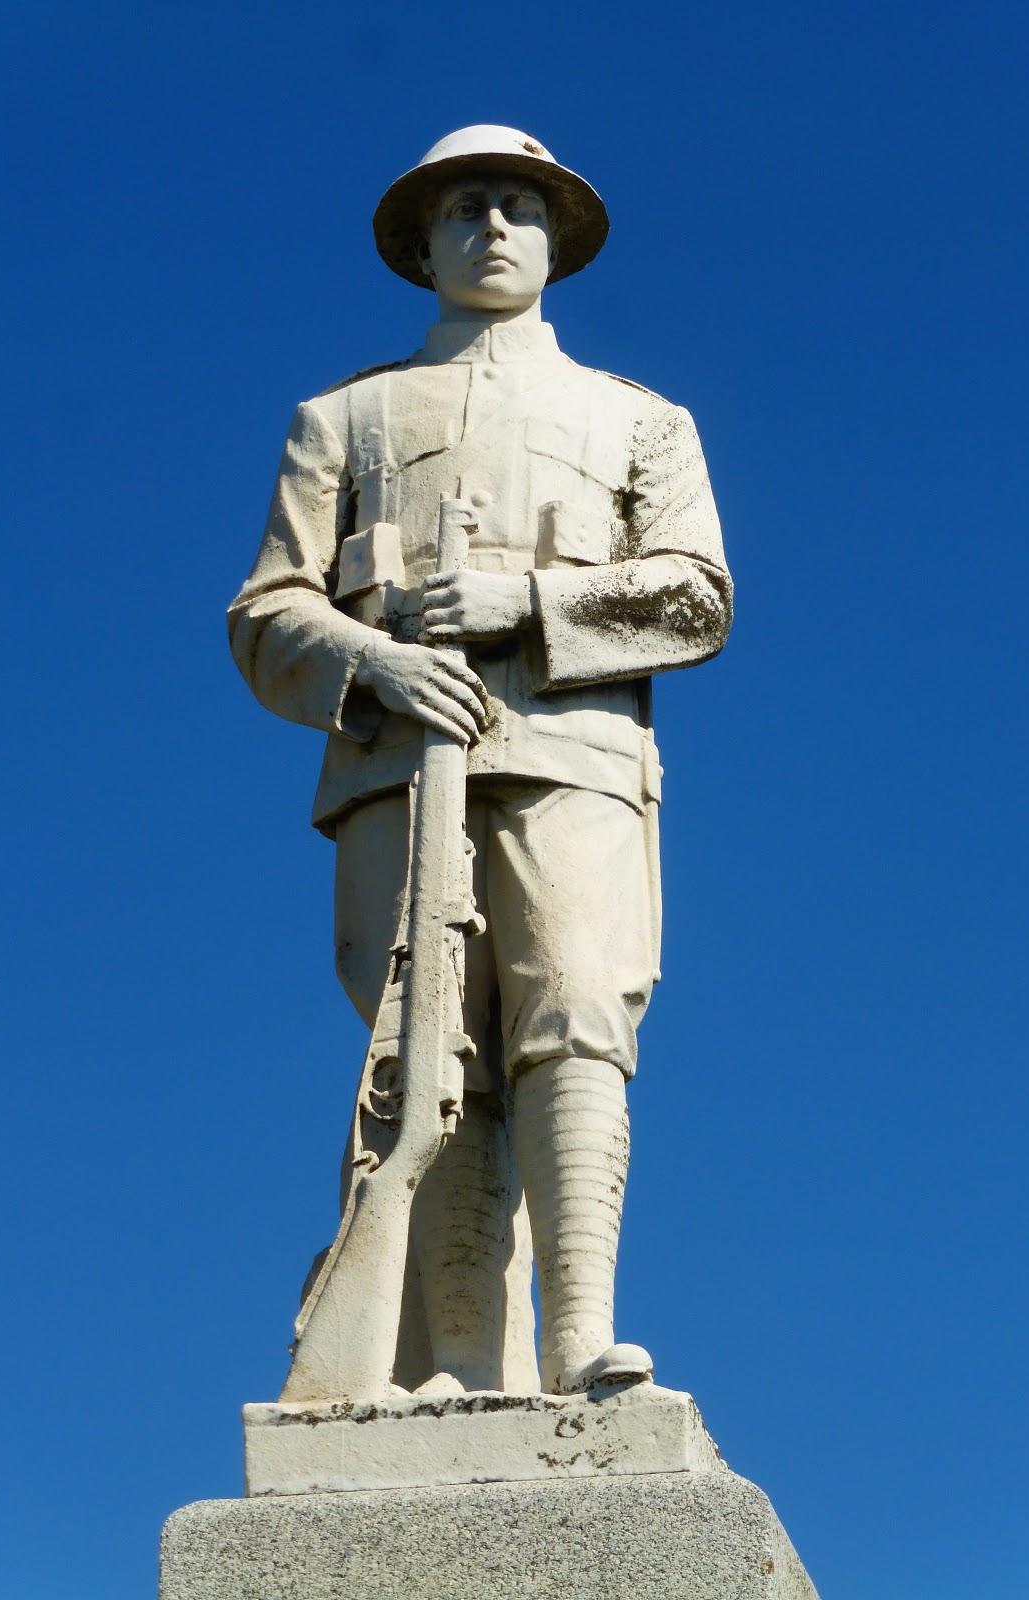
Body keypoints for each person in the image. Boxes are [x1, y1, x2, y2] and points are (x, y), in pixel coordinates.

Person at [228, 126, 732, 1396]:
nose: (493, 227)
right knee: (426, 1040)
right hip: (396, 767)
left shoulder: (642, 421)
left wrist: (525, 603)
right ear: (424, 245)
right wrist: (375, 664)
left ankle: (579, 1338)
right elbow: (268, 613)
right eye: (464, 207)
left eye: (519, 205)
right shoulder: (341, 419)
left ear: (557, 239)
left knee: (577, 1013)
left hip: (577, 755)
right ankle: (456, 1357)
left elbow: (696, 597)